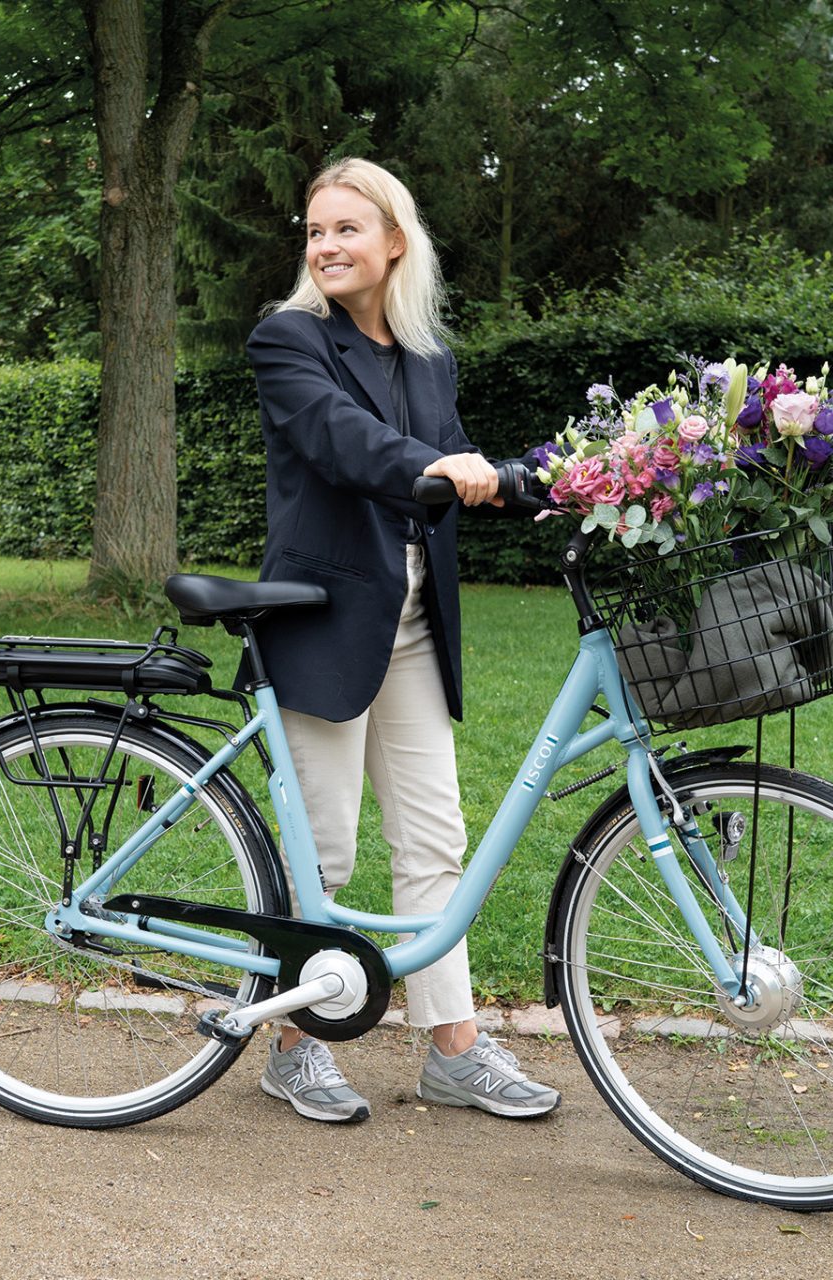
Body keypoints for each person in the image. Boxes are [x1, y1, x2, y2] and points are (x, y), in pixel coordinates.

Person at [244, 157, 560, 1124]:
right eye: (314, 231)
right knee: (324, 846)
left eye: (346, 229)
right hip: (324, 618)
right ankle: (296, 1044)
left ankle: (452, 1050)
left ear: (395, 242)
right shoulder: (287, 339)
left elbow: (460, 461)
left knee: (433, 839)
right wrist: (449, 468)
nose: (326, 246)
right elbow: (346, 444)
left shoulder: (427, 360)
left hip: (416, 623)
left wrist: (546, 480)